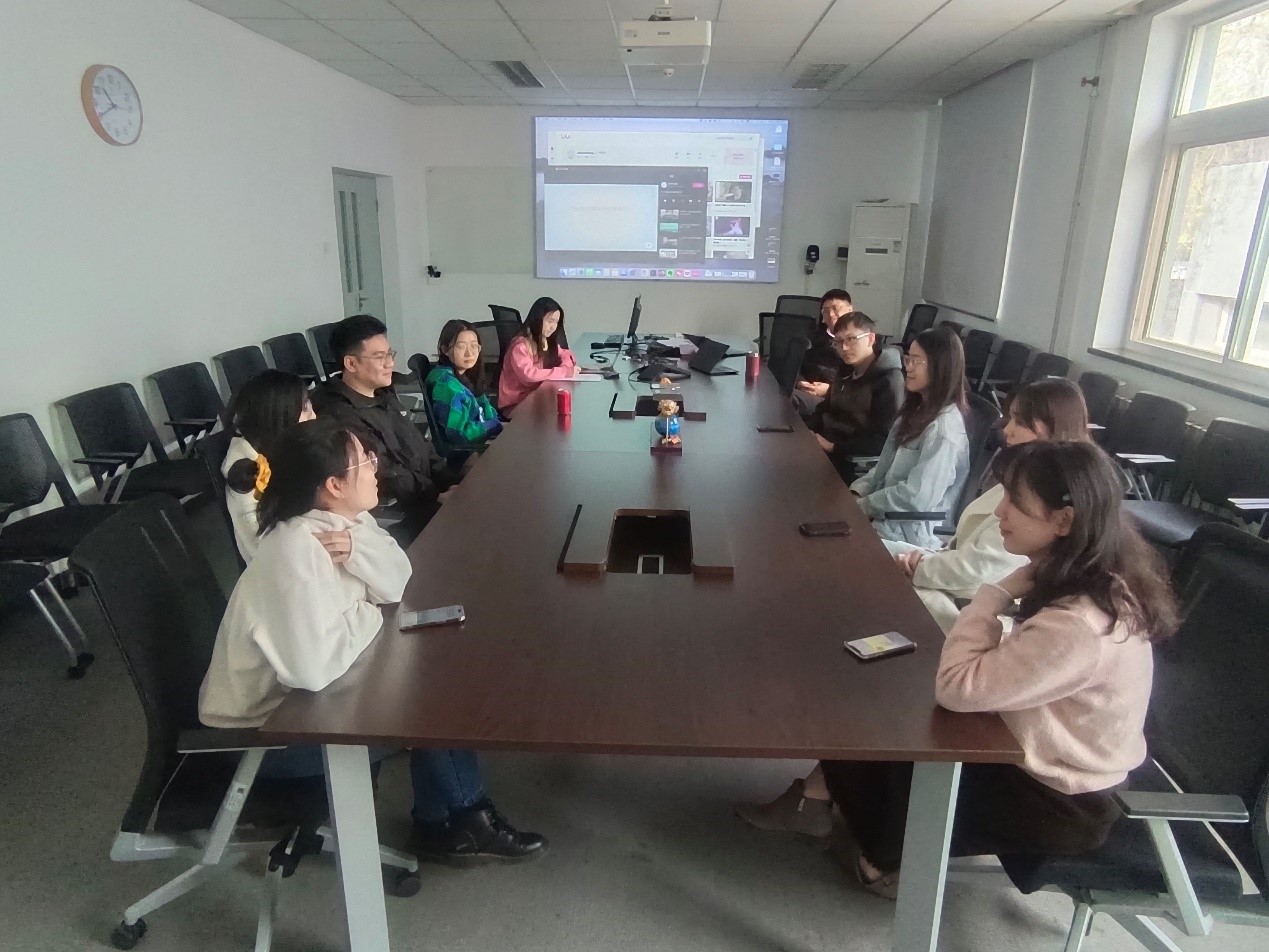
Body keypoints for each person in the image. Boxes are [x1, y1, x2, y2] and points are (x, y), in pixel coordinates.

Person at [821, 441, 1177, 898]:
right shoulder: (1091, 579)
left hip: (1060, 801)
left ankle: (885, 858)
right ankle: (855, 819)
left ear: (1063, 521)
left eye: (1016, 503)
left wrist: (994, 594)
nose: (999, 512)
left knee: (865, 737)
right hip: (1042, 757)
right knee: (883, 722)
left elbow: (956, 687)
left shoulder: (1078, 625)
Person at [199, 419, 546, 865]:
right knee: (432, 707)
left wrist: (358, 555)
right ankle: (467, 817)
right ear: (333, 485)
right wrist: (366, 612)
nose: (375, 465)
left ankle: (438, 822)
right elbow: (313, 670)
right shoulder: (295, 550)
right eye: (364, 461)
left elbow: (398, 580)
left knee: (433, 676)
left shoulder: (347, 522)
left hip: (302, 705)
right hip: (263, 737)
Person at [889, 378, 1092, 632]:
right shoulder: (1022, 476)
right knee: (879, 555)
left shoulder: (1045, 497)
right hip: (959, 581)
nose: (1007, 430)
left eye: (1020, 422)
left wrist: (919, 569)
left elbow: (980, 570)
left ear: (1052, 429)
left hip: (977, 606)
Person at [311, 314, 459, 542]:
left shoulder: (382, 395)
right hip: (403, 515)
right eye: (379, 357)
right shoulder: (339, 414)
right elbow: (386, 474)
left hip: (428, 497)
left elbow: (421, 445)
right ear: (351, 364)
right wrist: (437, 495)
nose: (390, 363)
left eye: (389, 354)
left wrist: (452, 481)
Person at [848, 326, 970, 549]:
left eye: (917, 361)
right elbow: (884, 468)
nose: (908, 368)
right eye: (908, 359)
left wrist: (865, 506)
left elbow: (916, 497)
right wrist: (858, 491)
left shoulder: (944, 430)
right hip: (882, 518)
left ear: (941, 367)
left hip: (906, 534)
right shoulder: (915, 410)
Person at [221, 369, 315, 564]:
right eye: (305, 409)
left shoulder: (286, 448)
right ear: (279, 417)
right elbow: (266, 549)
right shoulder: (247, 476)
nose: (314, 416)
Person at [807, 311, 904, 480]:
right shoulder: (846, 369)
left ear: (871, 339)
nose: (844, 348)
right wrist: (807, 430)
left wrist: (833, 447)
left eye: (851, 339)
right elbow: (825, 408)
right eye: (838, 342)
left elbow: (883, 440)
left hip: (851, 462)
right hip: (826, 446)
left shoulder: (889, 380)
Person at [425, 320, 502, 465]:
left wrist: (494, 423)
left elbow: (485, 407)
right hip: (466, 456)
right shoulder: (448, 386)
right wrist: (494, 425)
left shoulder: (465, 376)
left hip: (479, 444)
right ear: (445, 349)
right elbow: (461, 434)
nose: (469, 353)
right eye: (461, 346)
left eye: (474, 346)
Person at [497, 297, 578, 411]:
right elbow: (529, 375)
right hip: (516, 403)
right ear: (537, 319)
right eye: (550, 321)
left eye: (556, 322)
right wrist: (564, 372)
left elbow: (566, 354)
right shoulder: (521, 346)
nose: (553, 327)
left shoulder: (544, 340)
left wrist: (566, 367)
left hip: (536, 396)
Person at [794, 289, 853, 406]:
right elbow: (794, 367)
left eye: (835, 308)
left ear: (850, 310)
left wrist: (830, 390)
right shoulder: (810, 339)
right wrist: (800, 383)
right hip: (806, 393)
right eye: (826, 311)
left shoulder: (858, 342)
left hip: (837, 400)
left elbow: (862, 385)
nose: (830, 314)